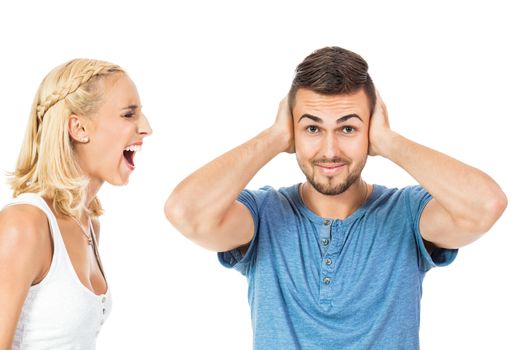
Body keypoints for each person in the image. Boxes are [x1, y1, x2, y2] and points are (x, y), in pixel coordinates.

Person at [164, 47, 507, 349]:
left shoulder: (407, 214)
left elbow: (485, 206)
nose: (330, 151)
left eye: (348, 128)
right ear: (293, 132)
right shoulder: (262, 215)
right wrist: (272, 137)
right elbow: (185, 212)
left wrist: (389, 142)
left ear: (370, 130)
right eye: (312, 128)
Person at [0, 59, 152, 349]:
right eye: (128, 114)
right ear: (79, 128)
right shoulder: (24, 225)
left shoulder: (89, 225)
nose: (146, 128)